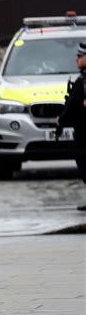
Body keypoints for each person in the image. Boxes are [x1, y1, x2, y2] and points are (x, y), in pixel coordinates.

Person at [57, 42, 86, 211]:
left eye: (80, 56)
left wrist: (61, 120)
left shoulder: (83, 81)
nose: (76, 59)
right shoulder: (81, 79)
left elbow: (73, 104)